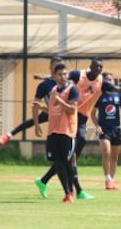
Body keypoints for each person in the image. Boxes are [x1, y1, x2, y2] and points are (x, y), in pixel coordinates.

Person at [34, 57, 121, 199]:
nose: (98, 69)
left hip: (81, 118)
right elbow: (62, 76)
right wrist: (44, 77)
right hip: (69, 115)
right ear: (90, 66)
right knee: (70, 156)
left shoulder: (101, 83)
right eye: (96, 66)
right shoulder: (78, 75)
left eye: (100, 67)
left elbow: (119, 89)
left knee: (71, 156)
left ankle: (49, 182)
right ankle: (74, 190)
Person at [0, 57, 63, 145]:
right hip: (51, 112)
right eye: (56, 67)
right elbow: (35, 105)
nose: (60, 70)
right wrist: (36, 124)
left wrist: (42, 76)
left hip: (67, 113)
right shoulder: (45, 85)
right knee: (31, 121)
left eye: (61, 67)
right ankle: (9, 135)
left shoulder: (68, 81)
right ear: (51, 68)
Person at [40, 63, 78, 203]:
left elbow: (72, 110)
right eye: (60, 74)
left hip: (67, 132)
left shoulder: (72, 89)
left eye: (65, 74)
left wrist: (61, 101)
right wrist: (42, 108)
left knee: (63, 162)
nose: (63, 77)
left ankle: (69, 193)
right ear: (55, 76)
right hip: (53, 131)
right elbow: (52, 111)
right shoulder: (54, 91)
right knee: (60, 162)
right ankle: (70, 192)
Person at [90, 72, 121, 190]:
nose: (109, 82)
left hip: (116, 129)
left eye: (111, 79)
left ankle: (111, 180)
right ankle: (107, 179)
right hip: (104, 129)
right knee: (106, 152)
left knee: (114, 156)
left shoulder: (119, 95)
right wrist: (97, 126)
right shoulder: (99, 95)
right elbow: (92, 114)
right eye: (107, 80)